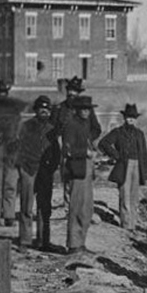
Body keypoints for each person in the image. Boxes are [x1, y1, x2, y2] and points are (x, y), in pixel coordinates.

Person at [98, 103, 147, 232]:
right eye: (128, 117)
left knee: (134, 197)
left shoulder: (139, 134)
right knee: (124, 196)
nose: (130, 119)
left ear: (136, 119)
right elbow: (103, 143)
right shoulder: (118, 132)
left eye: (132, 117)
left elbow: (143, 154)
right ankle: (126, 225)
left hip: (137, 165)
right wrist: (117, 156)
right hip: (124, 166)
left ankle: (133, 224)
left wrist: (146, 174)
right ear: (124, 118)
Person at [52, 77, 101, 210]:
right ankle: (68, 208)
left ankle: (85, 208)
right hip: (66, 147)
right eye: (70, 91)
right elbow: (53, 128)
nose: (72, 94)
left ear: (78, 93)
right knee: (68, 177)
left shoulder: (86, 110)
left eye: (75, 92)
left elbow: (96, 128)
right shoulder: (60, 108)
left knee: (85, 178)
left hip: (84, 148)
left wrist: (87, 138)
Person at [15, 95, 57, 250]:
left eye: (47, 109)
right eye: (41, 109)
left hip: (45, 171)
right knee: (26, 205)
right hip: (28, 169)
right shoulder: (27, 126)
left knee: (43, 206)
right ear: (36, 110)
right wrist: (21, 166)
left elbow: (56, 152)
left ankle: (42, 241)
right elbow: (18, 147)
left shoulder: (52, 129)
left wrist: (52, 167)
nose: (44, 112)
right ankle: (25, 240)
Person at [62, 96, 102, 254]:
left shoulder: (86, 123)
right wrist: (85, 151)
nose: (86, 112)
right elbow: (68, 150)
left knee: (86, 208)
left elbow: (95, 131)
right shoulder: (71, 125)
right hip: (76, 169)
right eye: (83, 109)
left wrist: (89, 145)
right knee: (77, 207)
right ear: (77, 110)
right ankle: (73, 244)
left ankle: (81, 242)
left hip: (86, 168)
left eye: (88, 109)